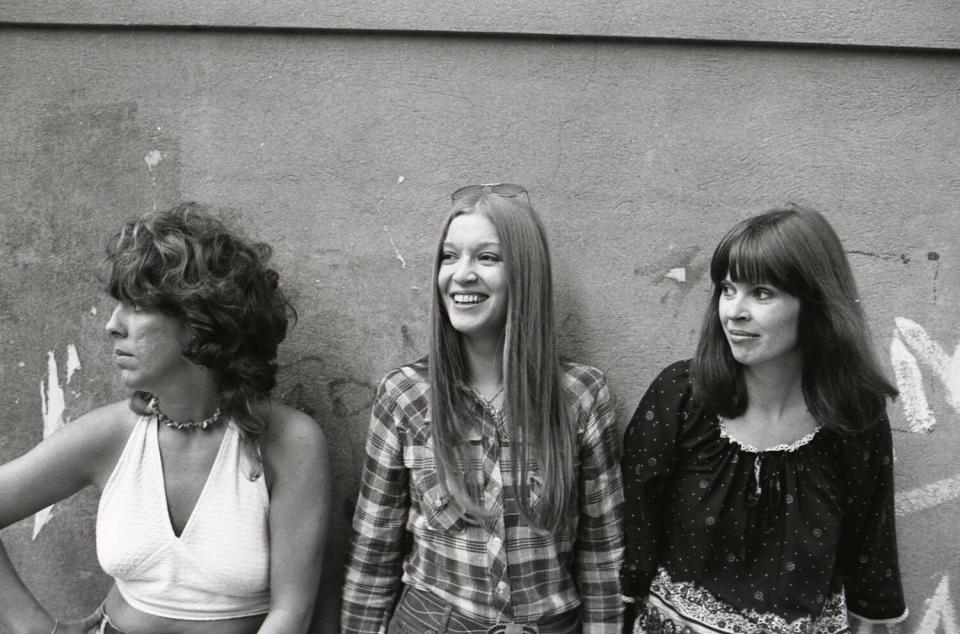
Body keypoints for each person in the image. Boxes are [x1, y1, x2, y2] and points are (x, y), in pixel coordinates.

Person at [0, 203, 330, 633]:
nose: (113, 326)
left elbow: (292, 613)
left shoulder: (288, 441)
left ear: (199, 321)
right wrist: (33, 630)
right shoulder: (111, 435)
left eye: (137, 305)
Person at [341, 183, 624, 633]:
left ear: (524, 274)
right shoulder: (405, 395)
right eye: (450, 257)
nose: (462, 274)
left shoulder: (581, 395)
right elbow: (373, 553)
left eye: (487, 258)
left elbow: (603, 558)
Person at [620, 206, 907, 633]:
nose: (734, 311)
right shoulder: (680, 397)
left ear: (814, 303)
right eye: (728, 289)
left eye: (762, 293)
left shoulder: (854, 418)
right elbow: (638, 528)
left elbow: (871, 549)